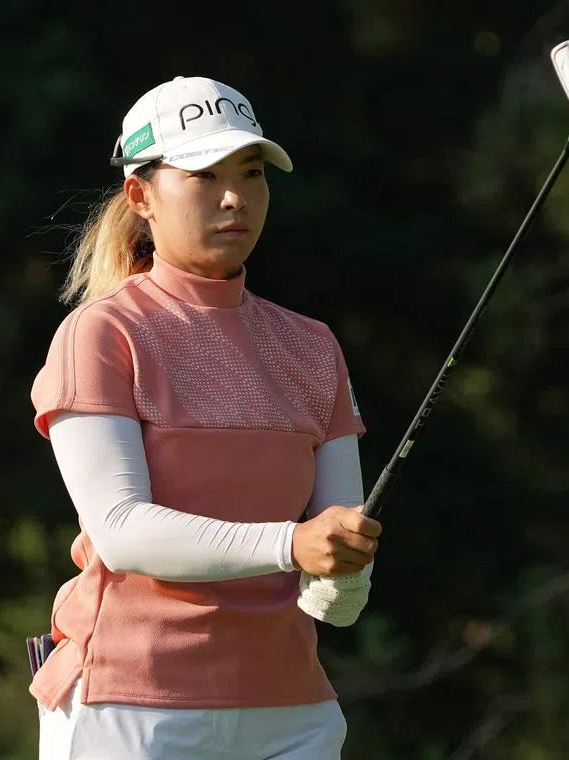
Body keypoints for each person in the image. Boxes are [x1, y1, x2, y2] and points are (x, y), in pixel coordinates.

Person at [27, 74, 382, 760]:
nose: (234, 198)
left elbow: (335, 566)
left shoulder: (312, 346)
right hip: (130, 705)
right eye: (204, 175)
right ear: (141, 196)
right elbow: (123, 531)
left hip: (291, 711)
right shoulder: (102, 335)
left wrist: (345, 571)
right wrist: (292, 545)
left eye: (251, 175)